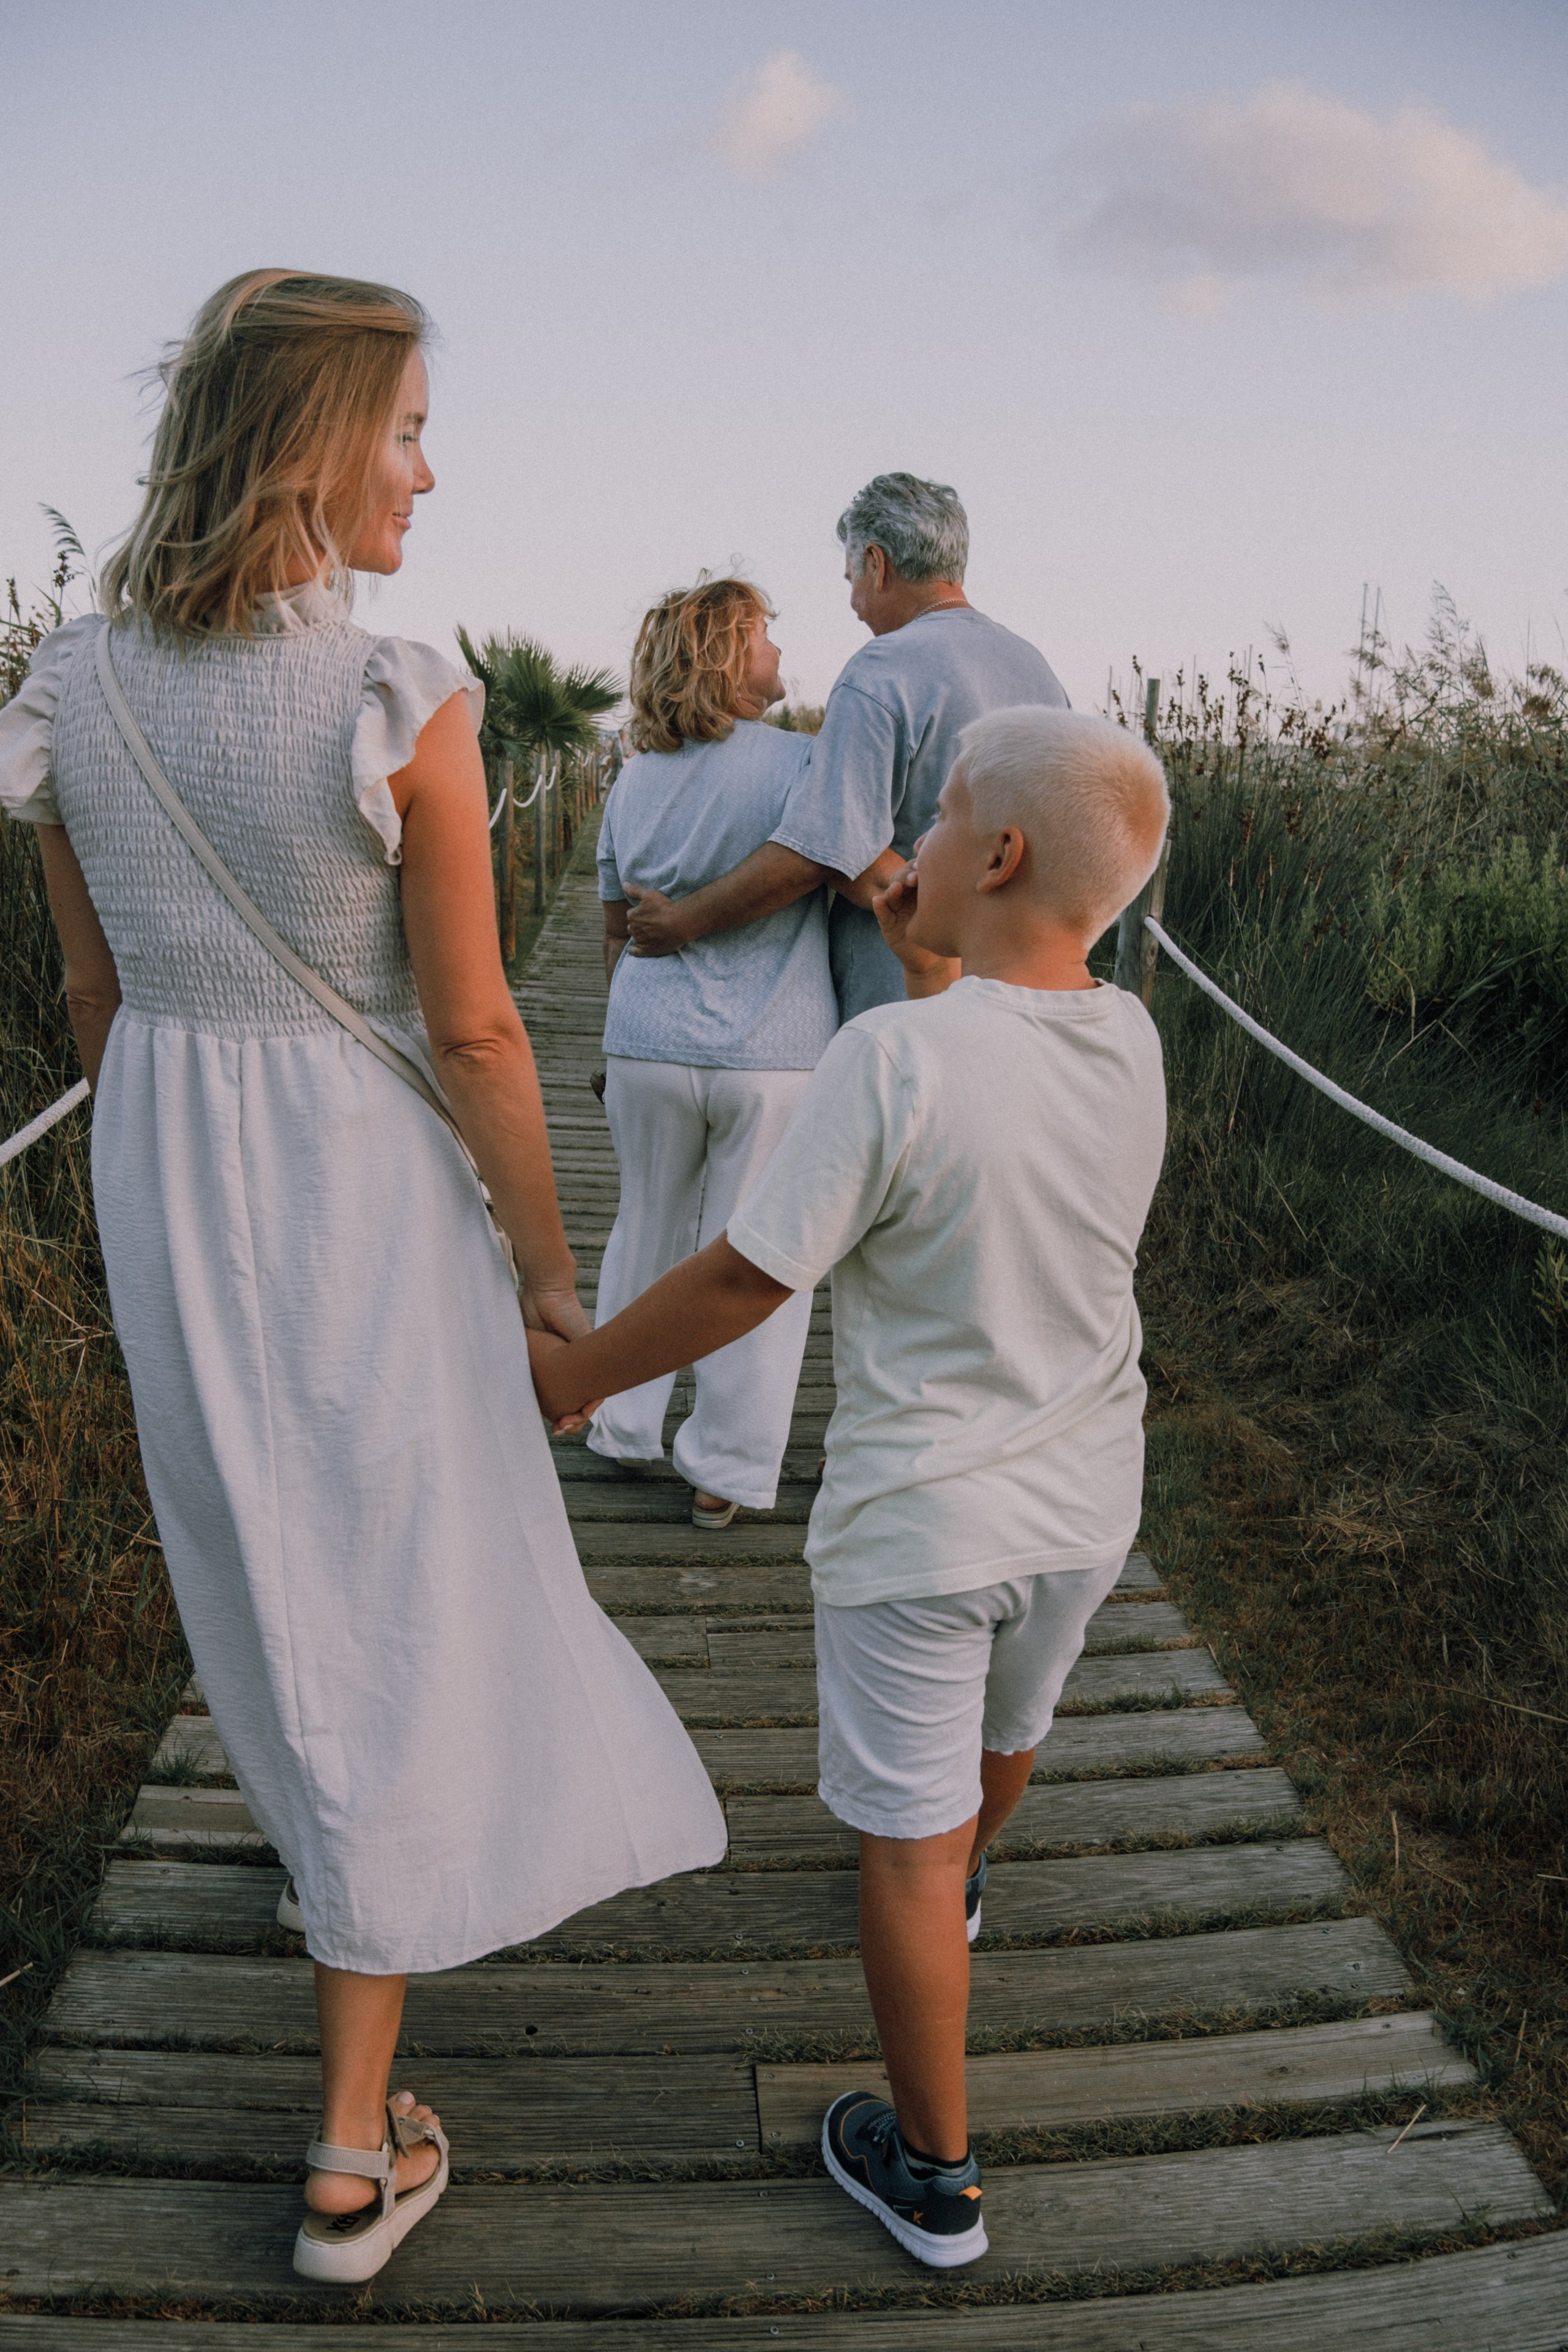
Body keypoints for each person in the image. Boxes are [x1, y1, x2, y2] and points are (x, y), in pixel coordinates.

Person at [0, 270, 724, 2283]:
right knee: (394, 1587)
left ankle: (336, 1871)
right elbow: (484, 1035)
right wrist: (556, 1282)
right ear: (315, 447)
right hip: (354, 1178)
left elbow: (93, 994)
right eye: (407, 426)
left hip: (165, 1159)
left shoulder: (71, 682)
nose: (433, 463)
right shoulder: (396, 691)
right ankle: (346, 2142)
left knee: (266, 1567)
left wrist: (157, 1174)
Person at [527, 705, 1170, 2269]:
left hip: (919, 1524)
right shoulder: (1130, 1033)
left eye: (938, 818)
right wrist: (936, 960)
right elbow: (986, 1094)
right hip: (1082, 1502)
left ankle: (933, 2171)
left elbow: (752, 1276)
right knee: (997, 1748)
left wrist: (584, 1371)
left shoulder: (885, 1052)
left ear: (999, 851)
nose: (913, 844)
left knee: (899, 1837)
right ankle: (955, 1902)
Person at [623, 471, 1069, 1020]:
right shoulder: (1039, 671)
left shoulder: (882, 671)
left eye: (850, 577)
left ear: (877, 565)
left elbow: (822, 848)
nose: (854, 602)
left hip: (898, 989)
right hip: (1021, 983)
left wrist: (682, 922)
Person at [590, 578, 846, 1523]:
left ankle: (622, 1420)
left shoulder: (633, 775)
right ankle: (725, 1471)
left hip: (646, 1046)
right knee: (756, 1259)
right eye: (767, 635)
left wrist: (614, 1039)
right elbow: (827, 866)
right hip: (771, 1055)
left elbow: (615, 928)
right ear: (729, 653)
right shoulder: (806, 763)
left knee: (645, 1233)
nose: (780, 649)